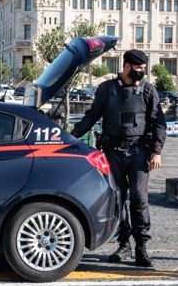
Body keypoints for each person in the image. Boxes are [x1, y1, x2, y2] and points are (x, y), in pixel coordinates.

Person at [71, 49, 166, 267]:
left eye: (143, 69)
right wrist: (71, 137)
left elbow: (159, 123)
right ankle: (124, 244)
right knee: (118, 199)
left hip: (139, 152)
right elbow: (91, 116)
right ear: (125, 66)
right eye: (137, 69)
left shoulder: (148, 91)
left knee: (139, 199)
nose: (141, 72)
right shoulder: (107, 89)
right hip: (112, 152)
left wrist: (157, 151)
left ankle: (142, 246)